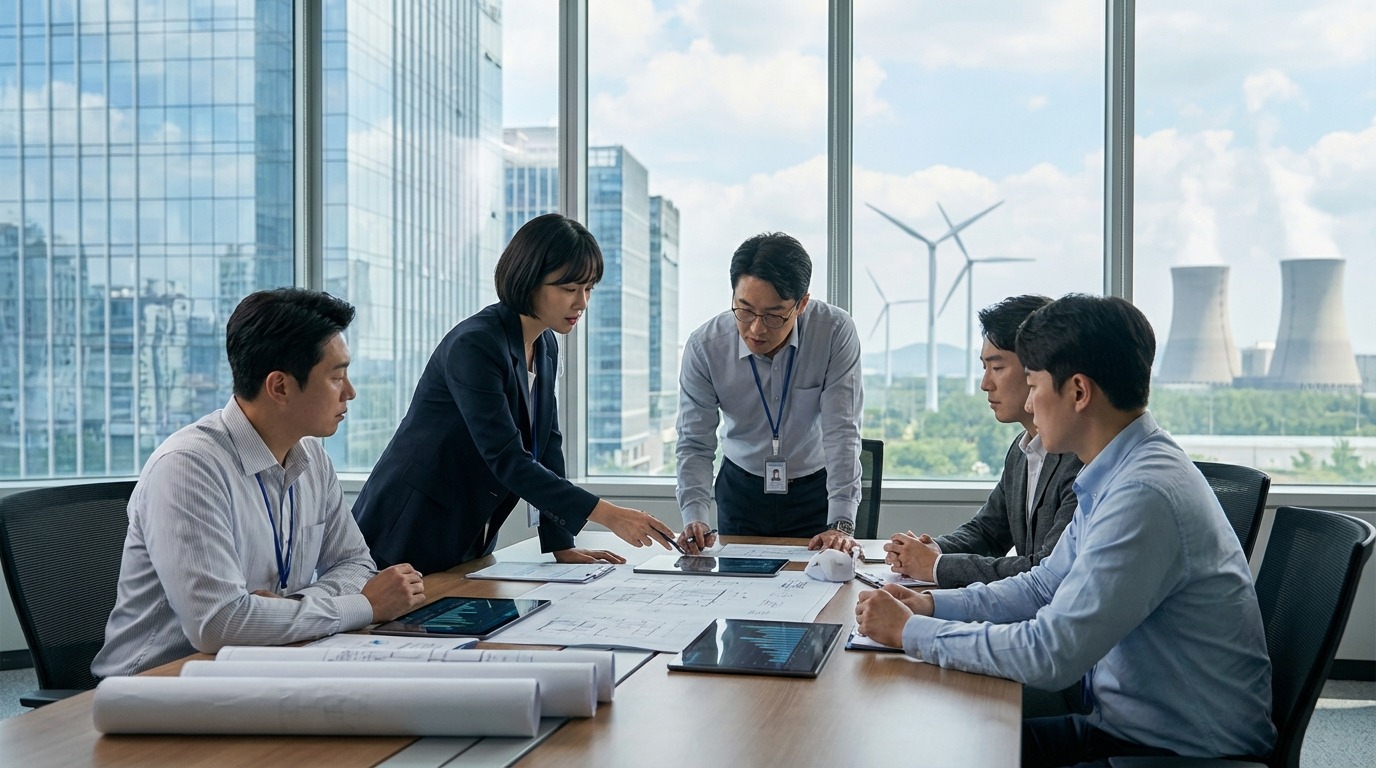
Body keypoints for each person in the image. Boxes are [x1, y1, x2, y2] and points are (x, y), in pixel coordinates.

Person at [855, 294, 1275, 766]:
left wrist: (912, 631)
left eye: (1033, 385)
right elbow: (1043, 586)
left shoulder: (1144, 494)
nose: (1031, 402)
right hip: (1120, 726)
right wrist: (930, 603)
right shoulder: (1115, 473)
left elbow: (1050, 653)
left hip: (1180, 753)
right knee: (941, 741)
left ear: (1078, 392)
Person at [93, 289, 425, 678]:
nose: (350, 392)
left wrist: (290, 606)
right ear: (280, 387)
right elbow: (216, 626)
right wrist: (364, 606)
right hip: (160, 685)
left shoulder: (311, 456)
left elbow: (354, 563)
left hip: (261, 667)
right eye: (336, 377)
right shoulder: (189, 468)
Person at [353, 213, 675, 575]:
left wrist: (562, 543)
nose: (582, 302)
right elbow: (507, 458)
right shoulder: (475, 344)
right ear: (529, 281)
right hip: (408, 524)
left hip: (468, 528)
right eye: (569, 289)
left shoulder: (545, 345)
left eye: (589, 289)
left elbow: (547, 444)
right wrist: (609, 515)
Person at [675, 232, 863, 554]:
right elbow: (694, 441)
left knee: (820, 592)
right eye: (744, 310)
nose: (756, 329)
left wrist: (841, 523)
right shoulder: (705, 347)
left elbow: (841, 432)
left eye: (774, 315)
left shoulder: (832, 332)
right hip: (741, 488)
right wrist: (696, 517)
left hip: (814, 489)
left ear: (802, 304)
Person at [883, 295, 1082, 588]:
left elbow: (1044, 569)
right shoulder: (1021, 450)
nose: (985, 383)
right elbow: (988, 532)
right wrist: (933, 550)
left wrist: (935, 566)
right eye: (984, 368)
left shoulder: (1080, 457)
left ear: (1036, 368)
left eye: (997, 368)